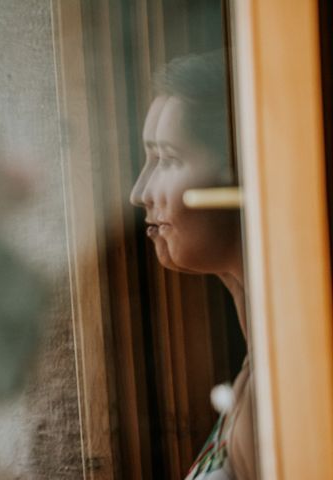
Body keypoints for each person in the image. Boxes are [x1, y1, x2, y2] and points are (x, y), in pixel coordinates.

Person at [130, 51, 256, 479]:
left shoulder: (291, 377)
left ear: (241, 171)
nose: (139, 192)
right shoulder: (254, 374)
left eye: (167, 159)